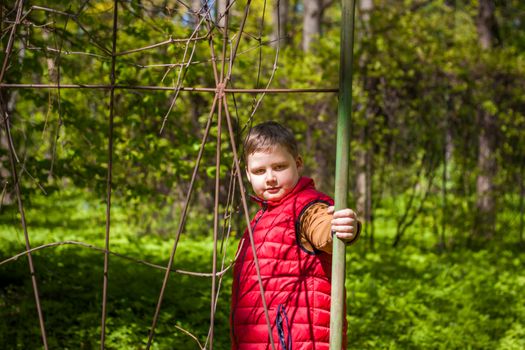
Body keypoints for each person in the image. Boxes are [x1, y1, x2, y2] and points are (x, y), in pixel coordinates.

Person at [230, 121, 361, 350]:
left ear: (297, 163)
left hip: (299, 342)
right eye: (260, 171)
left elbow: (322, 227)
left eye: (279, 167)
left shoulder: (306, 205)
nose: (270, 178)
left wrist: (340, 227)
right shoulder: (263, 217)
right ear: (248, 175)